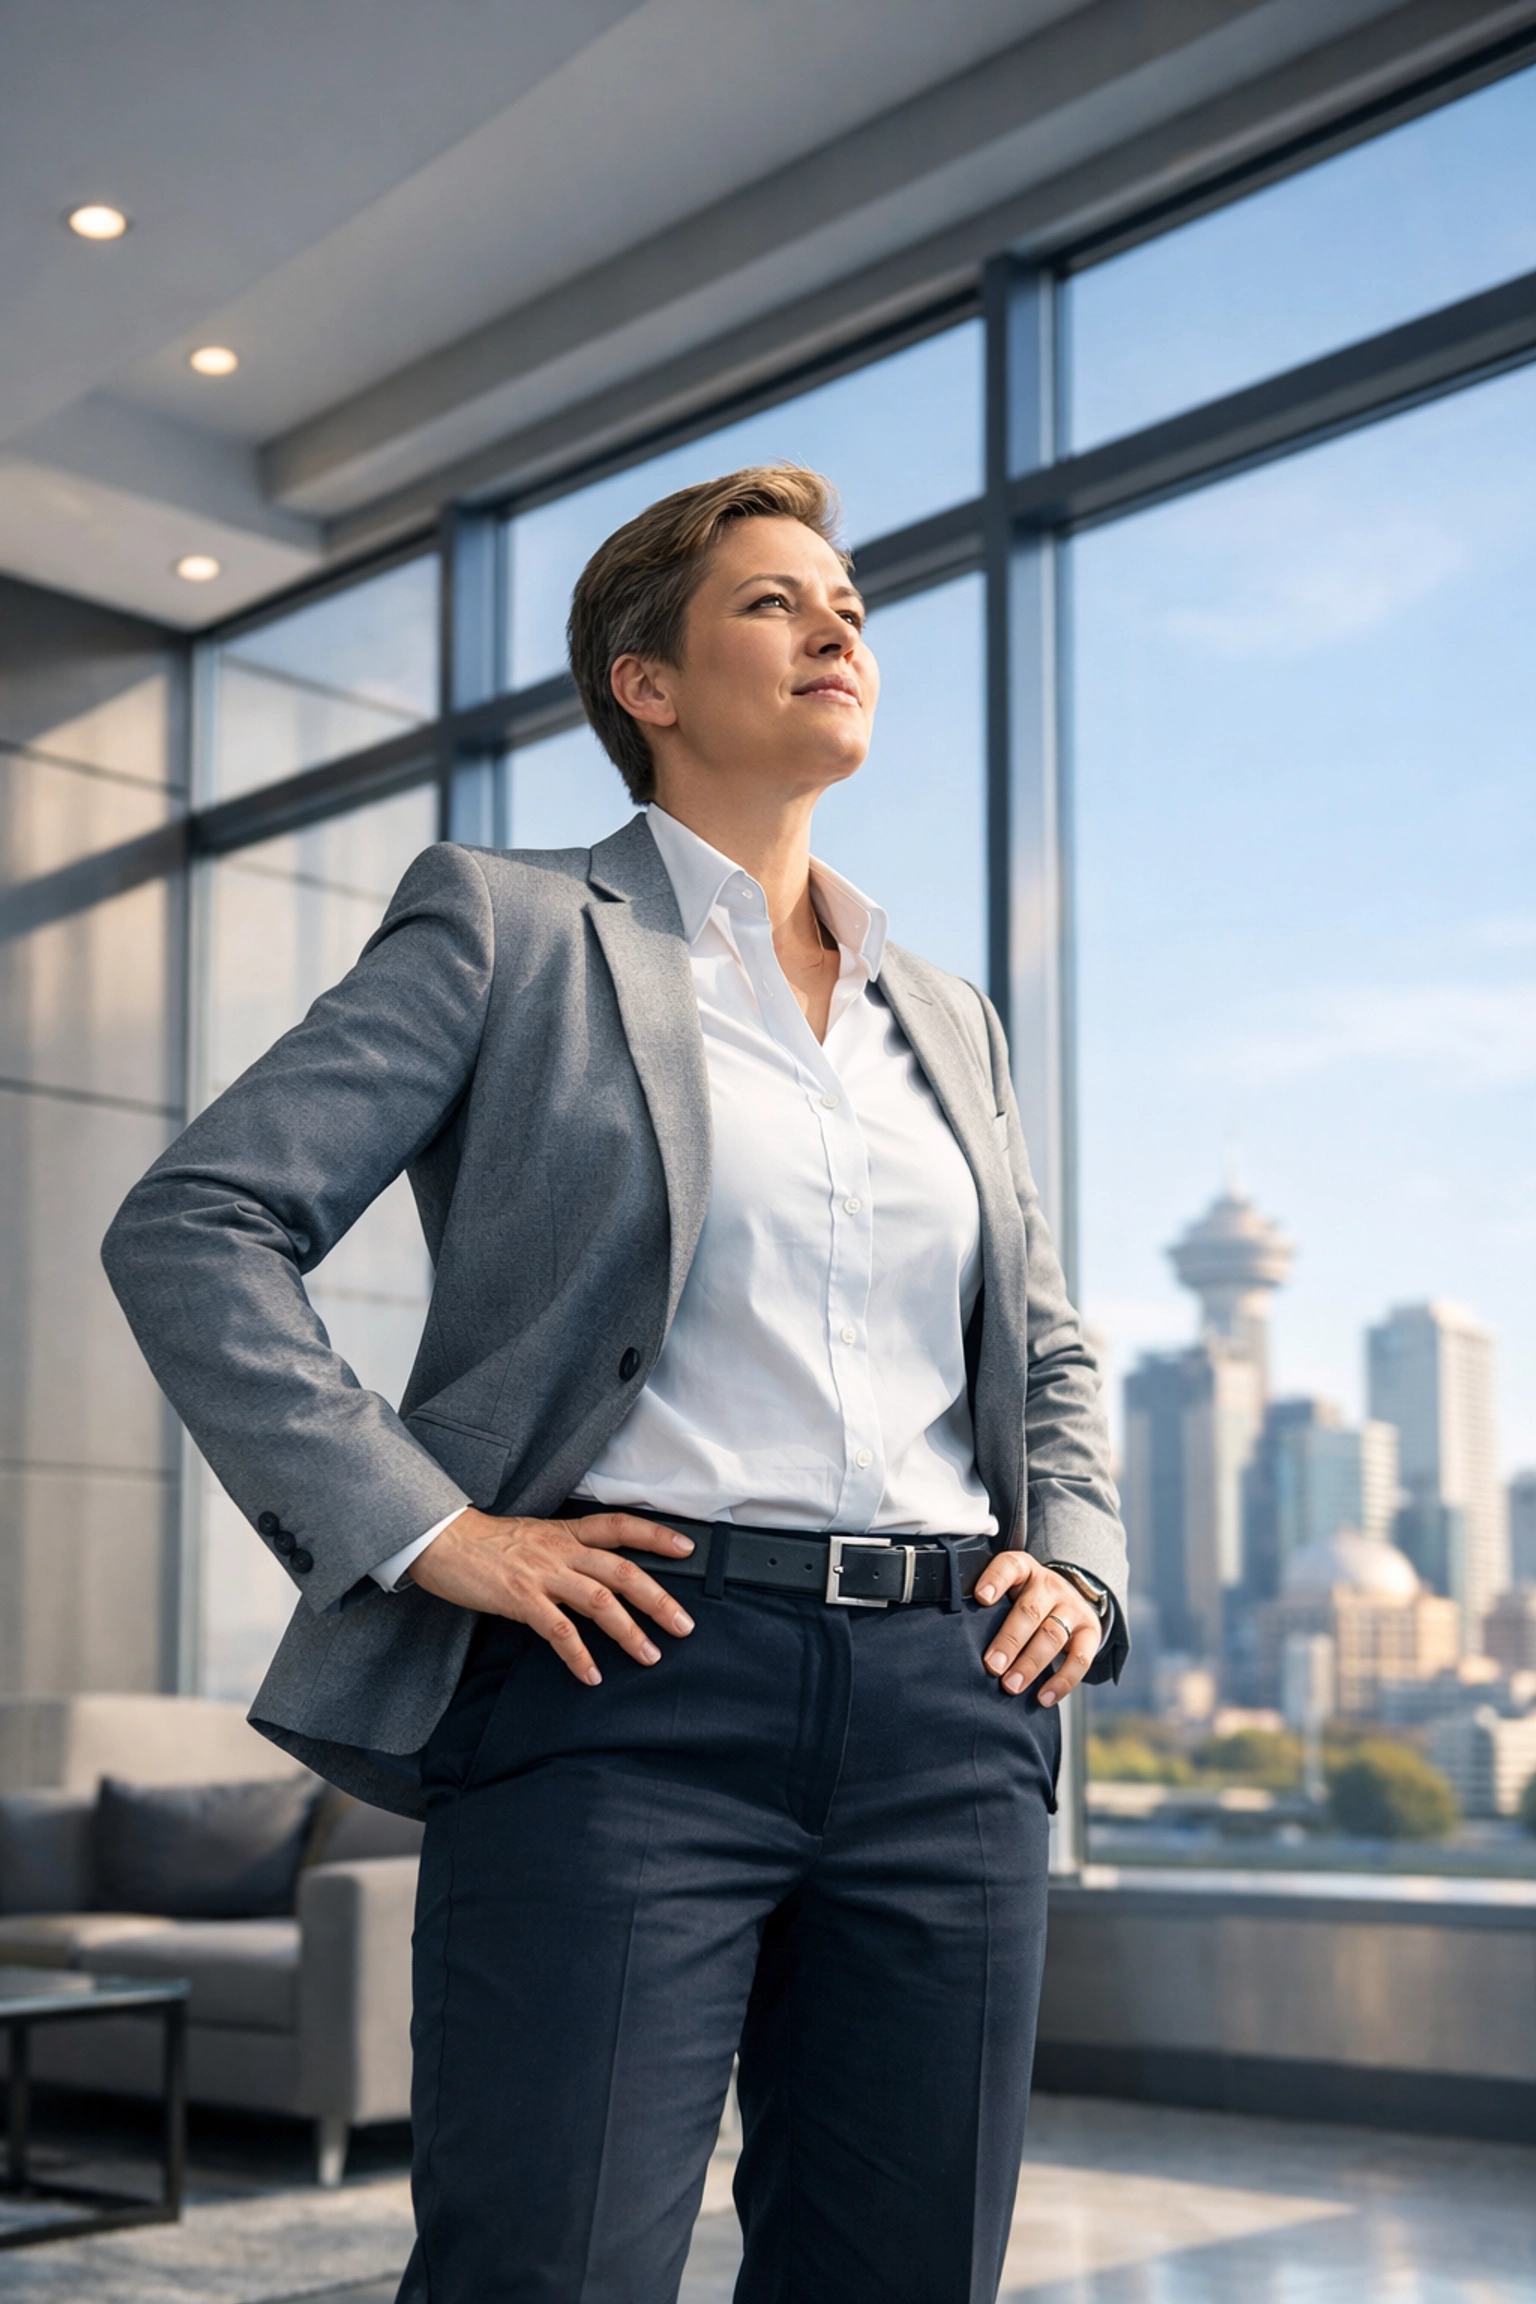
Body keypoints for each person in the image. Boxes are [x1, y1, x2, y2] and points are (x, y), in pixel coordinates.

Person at [103, 463, 1126, 2303]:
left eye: (852, 608)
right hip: (623, 1683)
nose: (837, 630)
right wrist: (427, 1532)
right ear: (641, 682)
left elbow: (1041, 1337)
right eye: (771, 602)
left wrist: (1080, 1560)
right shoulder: (504, 926)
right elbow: (195, 1225)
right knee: (547, 2269)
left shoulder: (945, 1014)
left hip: (947, 1708)